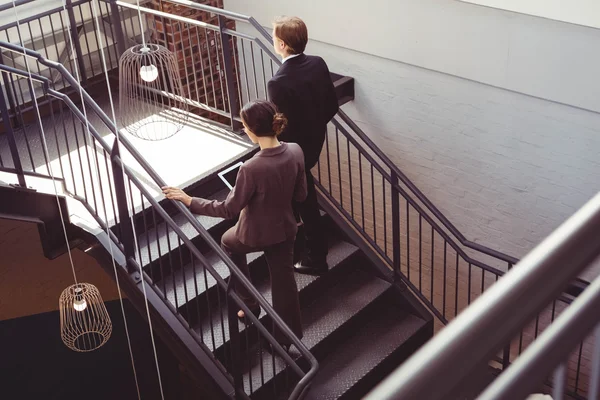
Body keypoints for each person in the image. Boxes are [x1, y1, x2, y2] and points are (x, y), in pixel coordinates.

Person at [162, 100, 306, 348]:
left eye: (244, 126)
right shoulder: (295, 150)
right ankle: (287, 340)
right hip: (285, 229)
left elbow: (228, 209)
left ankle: (250, 303)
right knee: (285, 283)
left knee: (228, 242)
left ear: (252, 130)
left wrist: (189, 200)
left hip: (255, 234)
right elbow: (301, 195)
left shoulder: (251, 168)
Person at [268, 16, 339, 275]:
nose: (273, 41)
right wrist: (314, 128)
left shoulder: (278, 82)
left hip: (295, 151)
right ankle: (303, 245)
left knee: (306, 200)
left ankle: (316, 258)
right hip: (315, 142)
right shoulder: (317, 64)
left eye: (275, 38)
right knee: (300, 195)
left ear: (283, 44)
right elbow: (331, 105)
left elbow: (282, 127)